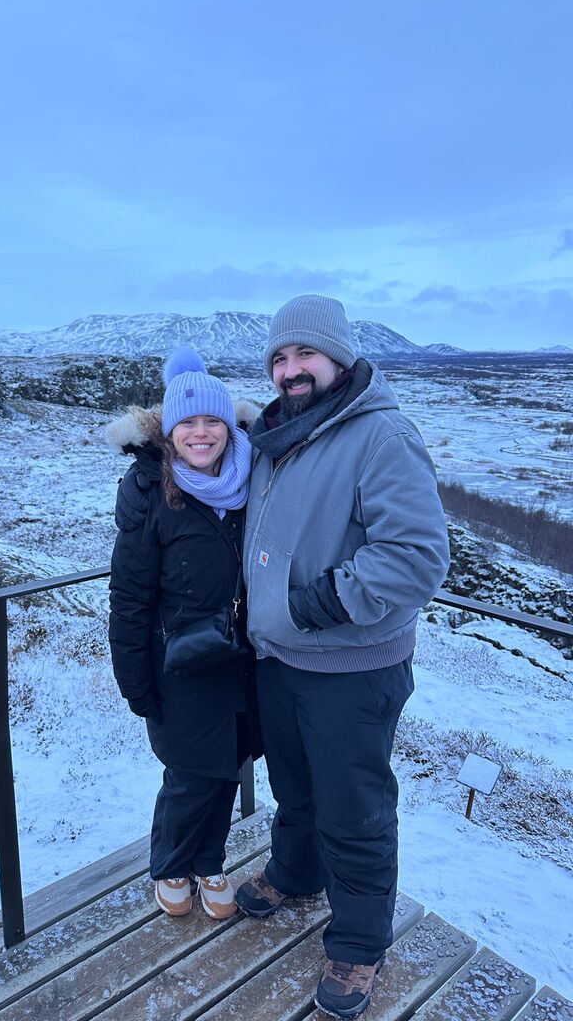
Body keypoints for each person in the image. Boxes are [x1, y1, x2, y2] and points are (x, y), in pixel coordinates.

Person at [234, 294, 450, 1018]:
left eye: (306, 355)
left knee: (355, 812)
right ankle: (296, 873)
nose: (291, 370)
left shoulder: (380, 435)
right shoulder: (281, 432)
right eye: (280, 358)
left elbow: (418, 558)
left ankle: (359, 946)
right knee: (295, 790)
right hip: (280, 661)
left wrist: (319, 603)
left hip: (352, 669)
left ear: (340, 358)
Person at [107, 346, 260, 921]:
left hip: (244, 656)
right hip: (179, 664)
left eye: (212, 420)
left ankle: (209, 862)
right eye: (187, 423)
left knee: (229, 765)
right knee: (189, 774)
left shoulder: (250, 480)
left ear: (228, 425)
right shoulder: (149, 492)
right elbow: (129, 596)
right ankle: (172, 865)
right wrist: (134, 679)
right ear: (169, 432)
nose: (201, 433)